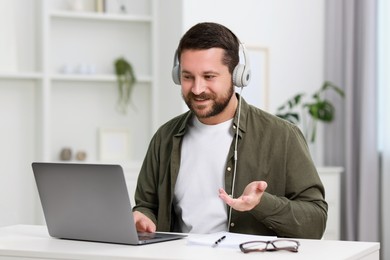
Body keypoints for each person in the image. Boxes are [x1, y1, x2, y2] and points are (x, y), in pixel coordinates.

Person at [133, 22, 327, 239]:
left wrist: (262, 204)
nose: (197, 89)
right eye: (187, 77)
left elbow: (315, 222)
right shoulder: (164, 137)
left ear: (237, 76)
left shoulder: (283, 136)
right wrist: (143, 217)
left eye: (209, 77)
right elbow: (147, 205)